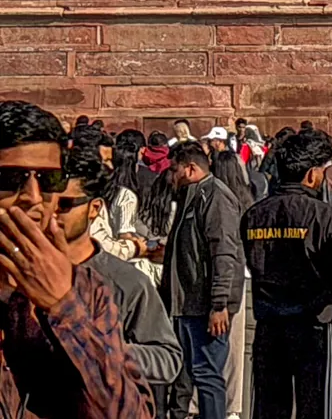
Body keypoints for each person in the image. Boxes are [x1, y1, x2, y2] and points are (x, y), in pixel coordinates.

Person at [0, 101, 151, 419]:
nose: (33, 195)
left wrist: (64, 309)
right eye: (11, 178)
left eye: (48, 179)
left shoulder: (85, 288)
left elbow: (130, 413)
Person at [55, 147, 181, 417]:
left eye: (65, 205)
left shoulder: (125, 281)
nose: (52, 214)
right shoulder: (15, 273)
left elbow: (167, 359)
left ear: (94, 208)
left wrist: (107, 351)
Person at [239, 130, 332, 419]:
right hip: (314, 326)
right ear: (311, 175)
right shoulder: (322, 215)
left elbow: (252, 262)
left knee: (269, 407)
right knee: (317, 408)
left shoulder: (254, 215)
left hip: (269, 324)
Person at [159, 138, 242, 419]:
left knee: (207, 374)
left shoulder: (215, 197)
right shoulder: (190, 196)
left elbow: (224, 253)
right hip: (184, 304)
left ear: (191, 169)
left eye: (175, 170)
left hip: (205, 305)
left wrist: (219, 304)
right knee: (183, 372)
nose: (172, 176)